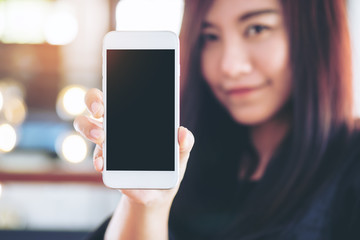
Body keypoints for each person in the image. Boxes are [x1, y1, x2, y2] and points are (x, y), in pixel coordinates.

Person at [74, 0, 360, 239]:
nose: (229, 66)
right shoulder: (185, 152)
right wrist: (145, 204)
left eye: (257, 29)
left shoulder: (350, 166)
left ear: (316, 33)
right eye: (210, 36)